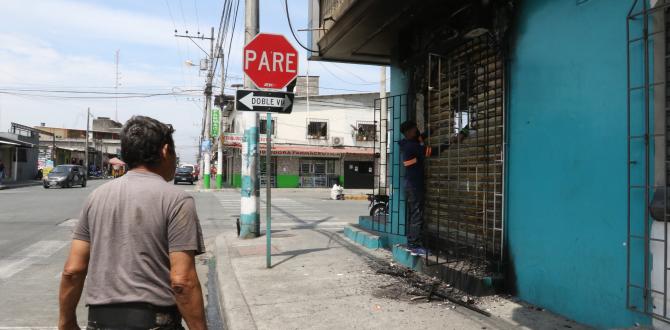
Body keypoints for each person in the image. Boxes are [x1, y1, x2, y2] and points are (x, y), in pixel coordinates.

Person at [58, 116, 206, 330]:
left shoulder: (96, 197)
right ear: (165, 151)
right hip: (155, 322)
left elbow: (73, 270)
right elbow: (182, 281)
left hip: (99, 322)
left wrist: (66, 321)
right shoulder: (177, 200)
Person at [399, 120, 465, 254]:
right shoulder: (412, 146)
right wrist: (450, 141)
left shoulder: (407, 143)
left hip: (411, 184)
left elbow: (420, 138)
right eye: (414, 129)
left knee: (414, 215)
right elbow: (432, 151)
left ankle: (412, 242)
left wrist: (430, 131)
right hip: (414, 186)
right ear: (408, 132)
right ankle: (414, 245)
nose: (417, 131)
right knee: (417, 215)